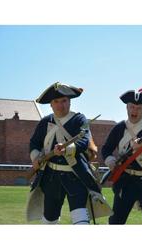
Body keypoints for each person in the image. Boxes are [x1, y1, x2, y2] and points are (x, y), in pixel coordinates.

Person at [27, 82, 112, 225]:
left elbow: (84, 140)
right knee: (49, 220)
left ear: (70, 102)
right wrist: (35, 157)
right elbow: (34, 143)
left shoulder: (79, 119)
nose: (60, 105)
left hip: (76, 176)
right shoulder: (45, 121)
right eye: (56, 101)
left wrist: (66, 149)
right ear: (51, 105)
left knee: (80, 220)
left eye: (64, 101)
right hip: (51, 178)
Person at [101, 88, 142, 224]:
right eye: (131, 107)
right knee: (116, 222)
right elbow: (106, 149)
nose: (134, 111)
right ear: (127, 107)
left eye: (139, 108)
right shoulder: (119, 128)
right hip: (125, 181)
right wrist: (110, 161)